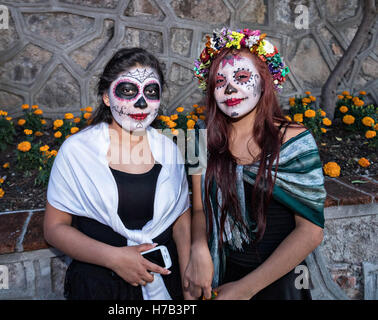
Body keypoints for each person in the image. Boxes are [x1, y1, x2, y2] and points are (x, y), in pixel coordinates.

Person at [184, 28, 326, 300]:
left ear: (264, 82)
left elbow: (310, 231)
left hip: (281, 281)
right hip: (222, 273)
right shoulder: (196, 139)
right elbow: (199, 209)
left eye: (241, 77)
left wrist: (245, 290)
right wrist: (199, 248)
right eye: (219, 81)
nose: (229, 88)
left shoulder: (296, 141)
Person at [43, 47, 191, 300]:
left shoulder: (170, 148)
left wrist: (189, 280)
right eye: (128, 90)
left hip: (167, 281)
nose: (141, 102)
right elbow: (55, 228)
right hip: (101, 285)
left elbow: (181, 219)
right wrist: (114, 258)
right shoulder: (78, 151)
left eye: (151, 91)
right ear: (107, 97)